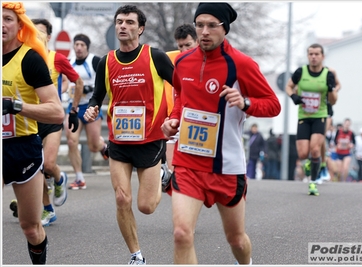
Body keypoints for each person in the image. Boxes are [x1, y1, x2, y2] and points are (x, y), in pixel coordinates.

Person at [161, 3, 281, 264]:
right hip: (188, 162)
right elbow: (181, 96)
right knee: (182, 234)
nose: (204, 31)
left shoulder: (241, 64)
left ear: (224, 29)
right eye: (199, 25)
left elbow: (273, 105)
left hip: (226, 167)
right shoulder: (182, 61)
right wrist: (172, 119)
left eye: (211, 26)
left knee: (236, 239)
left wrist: (246, 102)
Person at [83, 4, 174, 265]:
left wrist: (174, 116)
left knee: (146, 207)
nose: (123, 26)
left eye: (130, 22)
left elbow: (181, 86)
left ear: (140, 28)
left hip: (150, 139)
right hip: (119, 140)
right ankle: (136, 255)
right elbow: (97, 97)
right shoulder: (106, 61)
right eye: (119, 21)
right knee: (122, 198)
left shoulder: (155, 57)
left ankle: (160, 172)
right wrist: (91, 109)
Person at [2, 2, 65, 264]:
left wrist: (15, 106)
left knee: (30, 227)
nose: (1, 24)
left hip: (22, 147)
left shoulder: (30, 59)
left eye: (7, 19)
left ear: (19, 26)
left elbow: (56, 112)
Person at [32, 18, 84, 226]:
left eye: (41, 32)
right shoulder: (23, 58)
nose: (36, 35)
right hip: (30, 119)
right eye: (32, 31)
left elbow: (77, 82)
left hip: (52, 117)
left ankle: (59, 178)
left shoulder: (57, 59)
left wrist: (73, 110)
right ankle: (47, 209)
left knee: (48, 164)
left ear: (49, 37)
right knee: (36, 168)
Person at [285, 43, 338, 195]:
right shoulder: (301, 72)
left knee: (315, 149)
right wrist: (293, 96)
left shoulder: (327, 74)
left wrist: (331, 89)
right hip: (304, 116)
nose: (313, 57)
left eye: (317, 54)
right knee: (302, 154)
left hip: (320, 116)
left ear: (322, 56)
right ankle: (310, 164)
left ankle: (313, 182)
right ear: (308, 56)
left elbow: (333, 101)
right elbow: (288, 86)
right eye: (311, 54)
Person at [66, 33, 108, 190]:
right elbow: (64, 82)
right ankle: (79, 178)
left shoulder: (94, 61)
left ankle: (102, 145)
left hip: (91, 107)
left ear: (87, 47)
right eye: (76, 44)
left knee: (93, 146)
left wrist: (92, 88)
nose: (78, 48)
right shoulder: (69, 63)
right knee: (71, 141)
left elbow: (105, 79)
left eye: (82, 45)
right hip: (74, 107)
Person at [163, 23, 198, 188]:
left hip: (203, 121)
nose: (184, 50)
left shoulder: (211, 61)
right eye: (180, 47)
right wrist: (173, 117)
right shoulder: (176, 62)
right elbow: (177, 94)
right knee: (175, 177)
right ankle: (170, 176)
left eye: (188, 45)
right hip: (180, 116)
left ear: (197, 42)